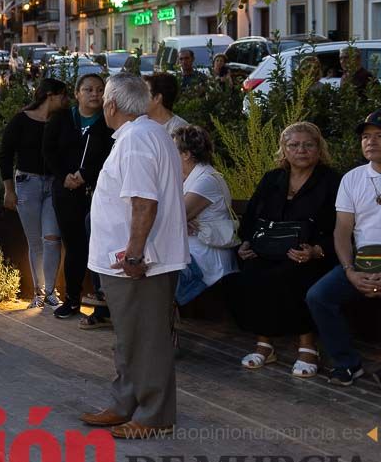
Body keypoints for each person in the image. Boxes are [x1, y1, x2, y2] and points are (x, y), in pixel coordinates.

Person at [80, 73, 187, 439]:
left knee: (146, 339)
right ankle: (126, 402)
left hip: (139, 262)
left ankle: (155, 415)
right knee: (129, 337)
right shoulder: (142, 134)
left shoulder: (138, 139)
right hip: (131, 259)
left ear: (110, 105)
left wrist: (135, 256)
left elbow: (144, 203)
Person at [225, 121, 338, 378]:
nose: (301, 150)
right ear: (283, 150)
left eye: (309, 145)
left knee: (297, 273)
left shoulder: (331, 181)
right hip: (268, 250)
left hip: (311, 253)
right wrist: (246, 243)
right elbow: (252, 217)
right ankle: (264, 344)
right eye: (294, 145)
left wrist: (316, 250)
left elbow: (341, 226)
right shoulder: (272, 179)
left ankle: (307, 346)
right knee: (251, 272)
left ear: (319, 150)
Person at [306, 111, 381, 386]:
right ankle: (348, 363)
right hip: (362, 262)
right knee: (319, 296)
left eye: (379, 136)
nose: (371, 142)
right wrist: (350, 271)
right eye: (366, 137)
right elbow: (342, 230)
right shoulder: (352, 179)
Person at [42, 74, 115, 323]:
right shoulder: (62, 118)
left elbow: (110, 156)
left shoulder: (108, 122)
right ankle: (72, 299)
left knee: (100, 246)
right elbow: (48, 151)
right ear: (77, 94)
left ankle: (103, 305)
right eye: (88, 89)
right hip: (65, 192)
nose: (94, 94)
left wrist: (85, 175)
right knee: (73, 246)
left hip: (96, 192)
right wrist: (64, 176)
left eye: (99, 89)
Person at [0, 78, 68, 308]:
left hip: (54, 184)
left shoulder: (61, 120)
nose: (65, 100)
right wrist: (8, 189)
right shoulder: (21, 120)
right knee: (35, 240)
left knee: (52, 237)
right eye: (62, 95)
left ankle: (50, 291)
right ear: (50, 95)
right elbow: (5, 154)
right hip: (27, 181)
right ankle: (38, 292)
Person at [171, 125, 237, 311]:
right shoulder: (190, 177)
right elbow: (174, 217)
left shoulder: (205, 180)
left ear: (186, 154)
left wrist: (179, 219)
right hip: (190, 253)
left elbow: (174, 217)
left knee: (152, 271)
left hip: (206, 262)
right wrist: (179, 220)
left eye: (172, 148)